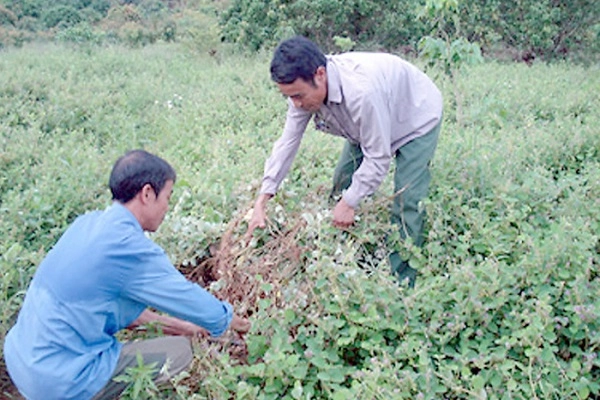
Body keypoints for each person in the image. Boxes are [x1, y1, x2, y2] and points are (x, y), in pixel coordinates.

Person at [3, 149, 250, 400]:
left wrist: (185, 327)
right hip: (60, 381)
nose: (167, 207)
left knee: (178, 338)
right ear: (147, 194)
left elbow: (131, 315)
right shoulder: (127, 246)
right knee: (181, 352)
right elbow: (190, 299)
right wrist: (237, 324)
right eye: (167, 197)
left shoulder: (87, 224)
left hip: (22, 360)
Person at [247, 36, 443, 287]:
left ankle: (400, 284)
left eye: (298, 96)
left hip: (414, 116)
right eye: (289, 97)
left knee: (407, 200)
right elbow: (287, 143)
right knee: (343, 181)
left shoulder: (362, 93)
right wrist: (263, 198)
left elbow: (378, 157)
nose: (296, 104)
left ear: (320, 74)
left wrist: (350, 202)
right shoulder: (302, 95)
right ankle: (349, 257)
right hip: (367, 121)